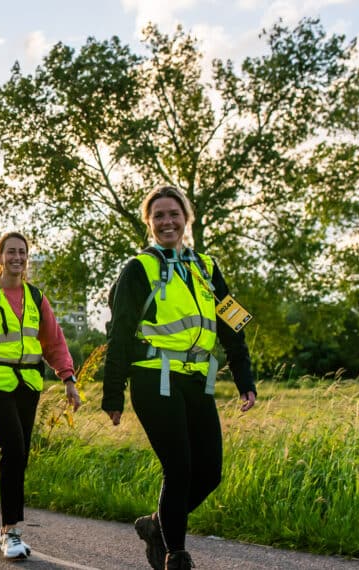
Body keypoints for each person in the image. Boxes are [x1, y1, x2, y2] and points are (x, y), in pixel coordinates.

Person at [102, 185, 257, 570]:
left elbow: (232, 324)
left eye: (174, 214)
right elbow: (119, 332)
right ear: (149, 223)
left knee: (211, 471)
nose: (167, 221)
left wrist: (245, 379)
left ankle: (158, 525)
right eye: (158, 216)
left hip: (196, 380)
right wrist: (113, 394)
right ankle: (176, 553)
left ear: (187, 218)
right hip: (153, 378)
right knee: (180, 467)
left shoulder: (208, 267)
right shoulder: (139, 268)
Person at [0, 231, 81, 560]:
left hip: (28, 384)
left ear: (27, 257)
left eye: (22, 252)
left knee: (21, 453)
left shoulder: (36, 297)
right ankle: (11, 531)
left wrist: (68, 377)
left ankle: (5, 530)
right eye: (10, 252)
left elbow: (54, 341)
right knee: (12, 447)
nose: (17, 257)